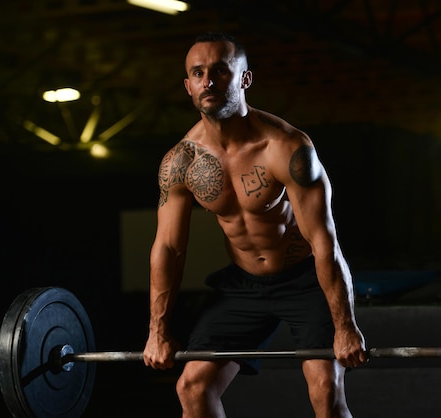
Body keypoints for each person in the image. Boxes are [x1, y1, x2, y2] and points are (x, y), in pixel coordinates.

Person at [142, 31, 367, 418]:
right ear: (187, 86)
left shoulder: (287, 148)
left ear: (245, 79)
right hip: (243, 285)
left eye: (220, 71)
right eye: (197, 73)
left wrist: (345, 324)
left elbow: (324, 243)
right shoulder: (181, 162)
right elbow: (168, 248)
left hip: (306, 280)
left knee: (325, 393)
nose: (208, 81)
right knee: (192, 388)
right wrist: (157, 330)